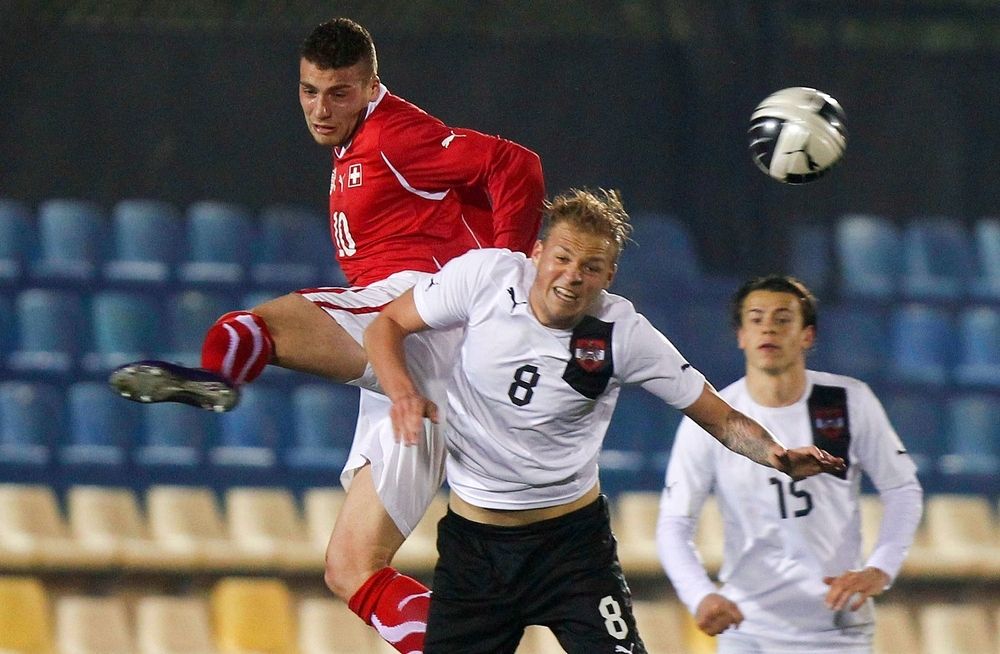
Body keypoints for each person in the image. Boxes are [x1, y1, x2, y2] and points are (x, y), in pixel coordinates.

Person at [108, 17, 544, 653]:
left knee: (251, 325)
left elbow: (516, 164)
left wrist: (504, 281)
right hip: (416, 387)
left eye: (338, 93)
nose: (319, 107)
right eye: (309, 91)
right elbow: (478, 196)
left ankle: (221, 377)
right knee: (351, 570)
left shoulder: (396, 134)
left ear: (371, 87)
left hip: (419, 321)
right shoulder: (355, 149)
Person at [364, 188, 845, 654]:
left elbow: (718, 416)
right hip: (477, 551)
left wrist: (777, 456)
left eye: (591, 267)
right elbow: (386, 323)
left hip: (571, 549)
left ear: (608, 276)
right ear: (536, 253)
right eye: (563, 258)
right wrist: (403, 394)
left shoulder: (623, 334)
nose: (573, 276)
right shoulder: (483, 279)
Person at [656, 275, 924, 654]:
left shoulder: (848, 402)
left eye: (783, 318)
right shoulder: (713, 417)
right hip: (748, 629)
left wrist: (881, 567)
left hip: (836, 629)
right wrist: (700, 595)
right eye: (756, 318)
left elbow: (902, 489)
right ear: (741, 336)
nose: (768, 326)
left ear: (807, 336)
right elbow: (674, 522)